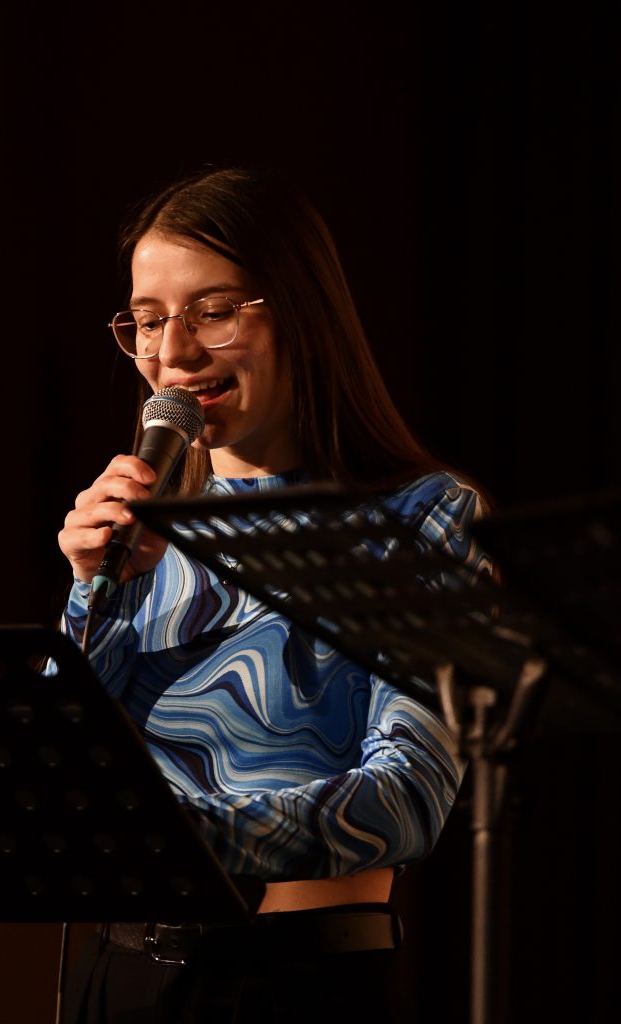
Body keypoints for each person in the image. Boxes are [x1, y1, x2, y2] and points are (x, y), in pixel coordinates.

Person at [56, 164, 493, 1023]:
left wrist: (181, 842)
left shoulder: (422, 516)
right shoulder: (143, 522)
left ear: (301, 311)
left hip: (296, 980)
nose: (173, 353)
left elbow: (410, 798)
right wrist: (86, 596)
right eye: (148, 320)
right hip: (121, 975)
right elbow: (56, 778)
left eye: (213, 312)